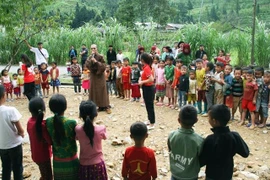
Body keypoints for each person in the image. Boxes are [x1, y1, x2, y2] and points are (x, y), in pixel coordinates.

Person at [200, 104, 249, 180]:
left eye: (209, 118)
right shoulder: (234, 136)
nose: (208, 120)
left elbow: (202, 160)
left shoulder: (211, 139)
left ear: (214, 121)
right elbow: (245, 153)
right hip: (227, 174)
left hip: (212, 175)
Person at [46, 94, 79, 180]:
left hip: (57, 161)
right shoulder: (71, 123)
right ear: (65, 107)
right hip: (71, 160)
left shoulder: (48, 122)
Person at [168, 105, 203, 180]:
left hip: (175, 174)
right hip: (191, 176)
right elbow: (201, 157)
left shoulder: (172, 135)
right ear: (196, 120)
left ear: (179, 120)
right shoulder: (199, 140)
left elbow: (170, 149)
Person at [75, 100, 108, 180]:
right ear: (95, 114)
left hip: (84, 165)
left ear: (80, 115)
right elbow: (105, 137)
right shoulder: (101, 128)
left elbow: (76, 138)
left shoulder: (78, 129)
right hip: (98, 165)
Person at [0, 85, 24, 180]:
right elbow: (20, 130)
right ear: (4, 95)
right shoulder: (10, 110)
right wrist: (21, 133)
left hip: (2, 146)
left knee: (5, 167)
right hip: (14, 144)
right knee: (17, 167)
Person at [27, 97, 52, 180]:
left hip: (35, 154)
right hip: (44, 156)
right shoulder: (41, 125)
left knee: (44, 174)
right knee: (48, 176)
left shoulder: (30, 122)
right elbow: (50, 141)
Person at [86, 44, 111, 114]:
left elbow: (103, 66)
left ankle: (106, 106)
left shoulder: (101, 56)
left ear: (97, 49)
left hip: (100, 76)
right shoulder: (90, 57)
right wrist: (91, 61)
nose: (93, 50)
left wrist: (96, 62)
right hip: (93, 76)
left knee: (102, 90)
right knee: (93, 90)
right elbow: (87, 65)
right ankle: (97, 106)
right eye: (92, 48)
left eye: (94, 48)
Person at [139, 53, 155, 130]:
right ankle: (149, 120)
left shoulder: (147, 68)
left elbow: (151, 79)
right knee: (147, 105)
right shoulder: (145, 67)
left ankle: (152, 123)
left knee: (150, 105)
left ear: (142, 60)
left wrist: (142, 82)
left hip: (149, 88)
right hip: (146, 88)